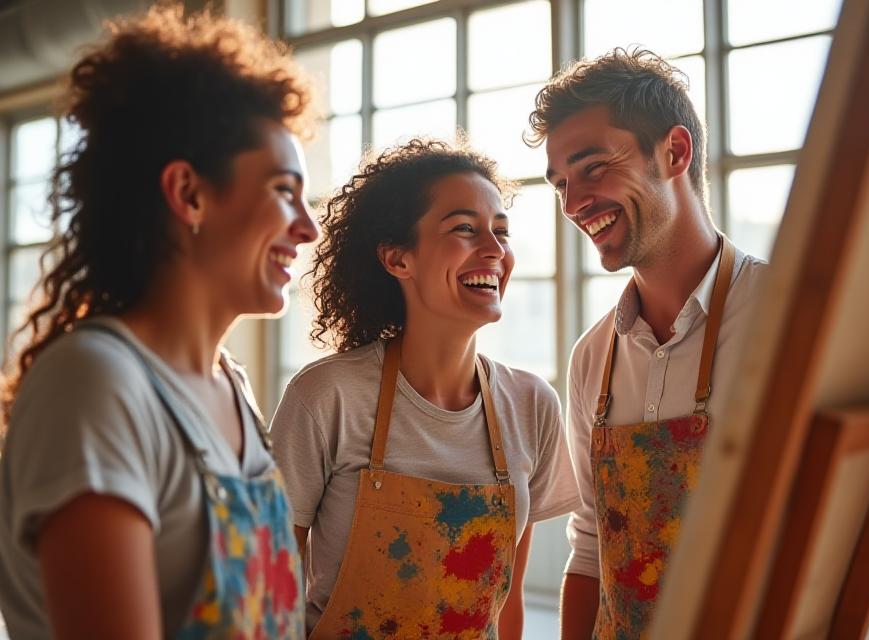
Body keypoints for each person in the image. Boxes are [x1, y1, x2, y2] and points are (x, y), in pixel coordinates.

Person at [0, 6, 318, 639]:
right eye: (285, 190)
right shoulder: (95, 385)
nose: (308, 227)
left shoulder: (231, 385)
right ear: (189, 194)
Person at [270, 137, 581, 639]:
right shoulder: (327, 396)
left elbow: (507, 606)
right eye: (465, 229)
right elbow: (269, 592)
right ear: (398, 260)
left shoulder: (531, 404)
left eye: (500, 232)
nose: (495, 251)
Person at [526, 48, 768, 639]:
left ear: (675, 152)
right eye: (561, 184)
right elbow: (590, 550)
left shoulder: (784, 320)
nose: (573, 203)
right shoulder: (592, 358)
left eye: (593, 167)